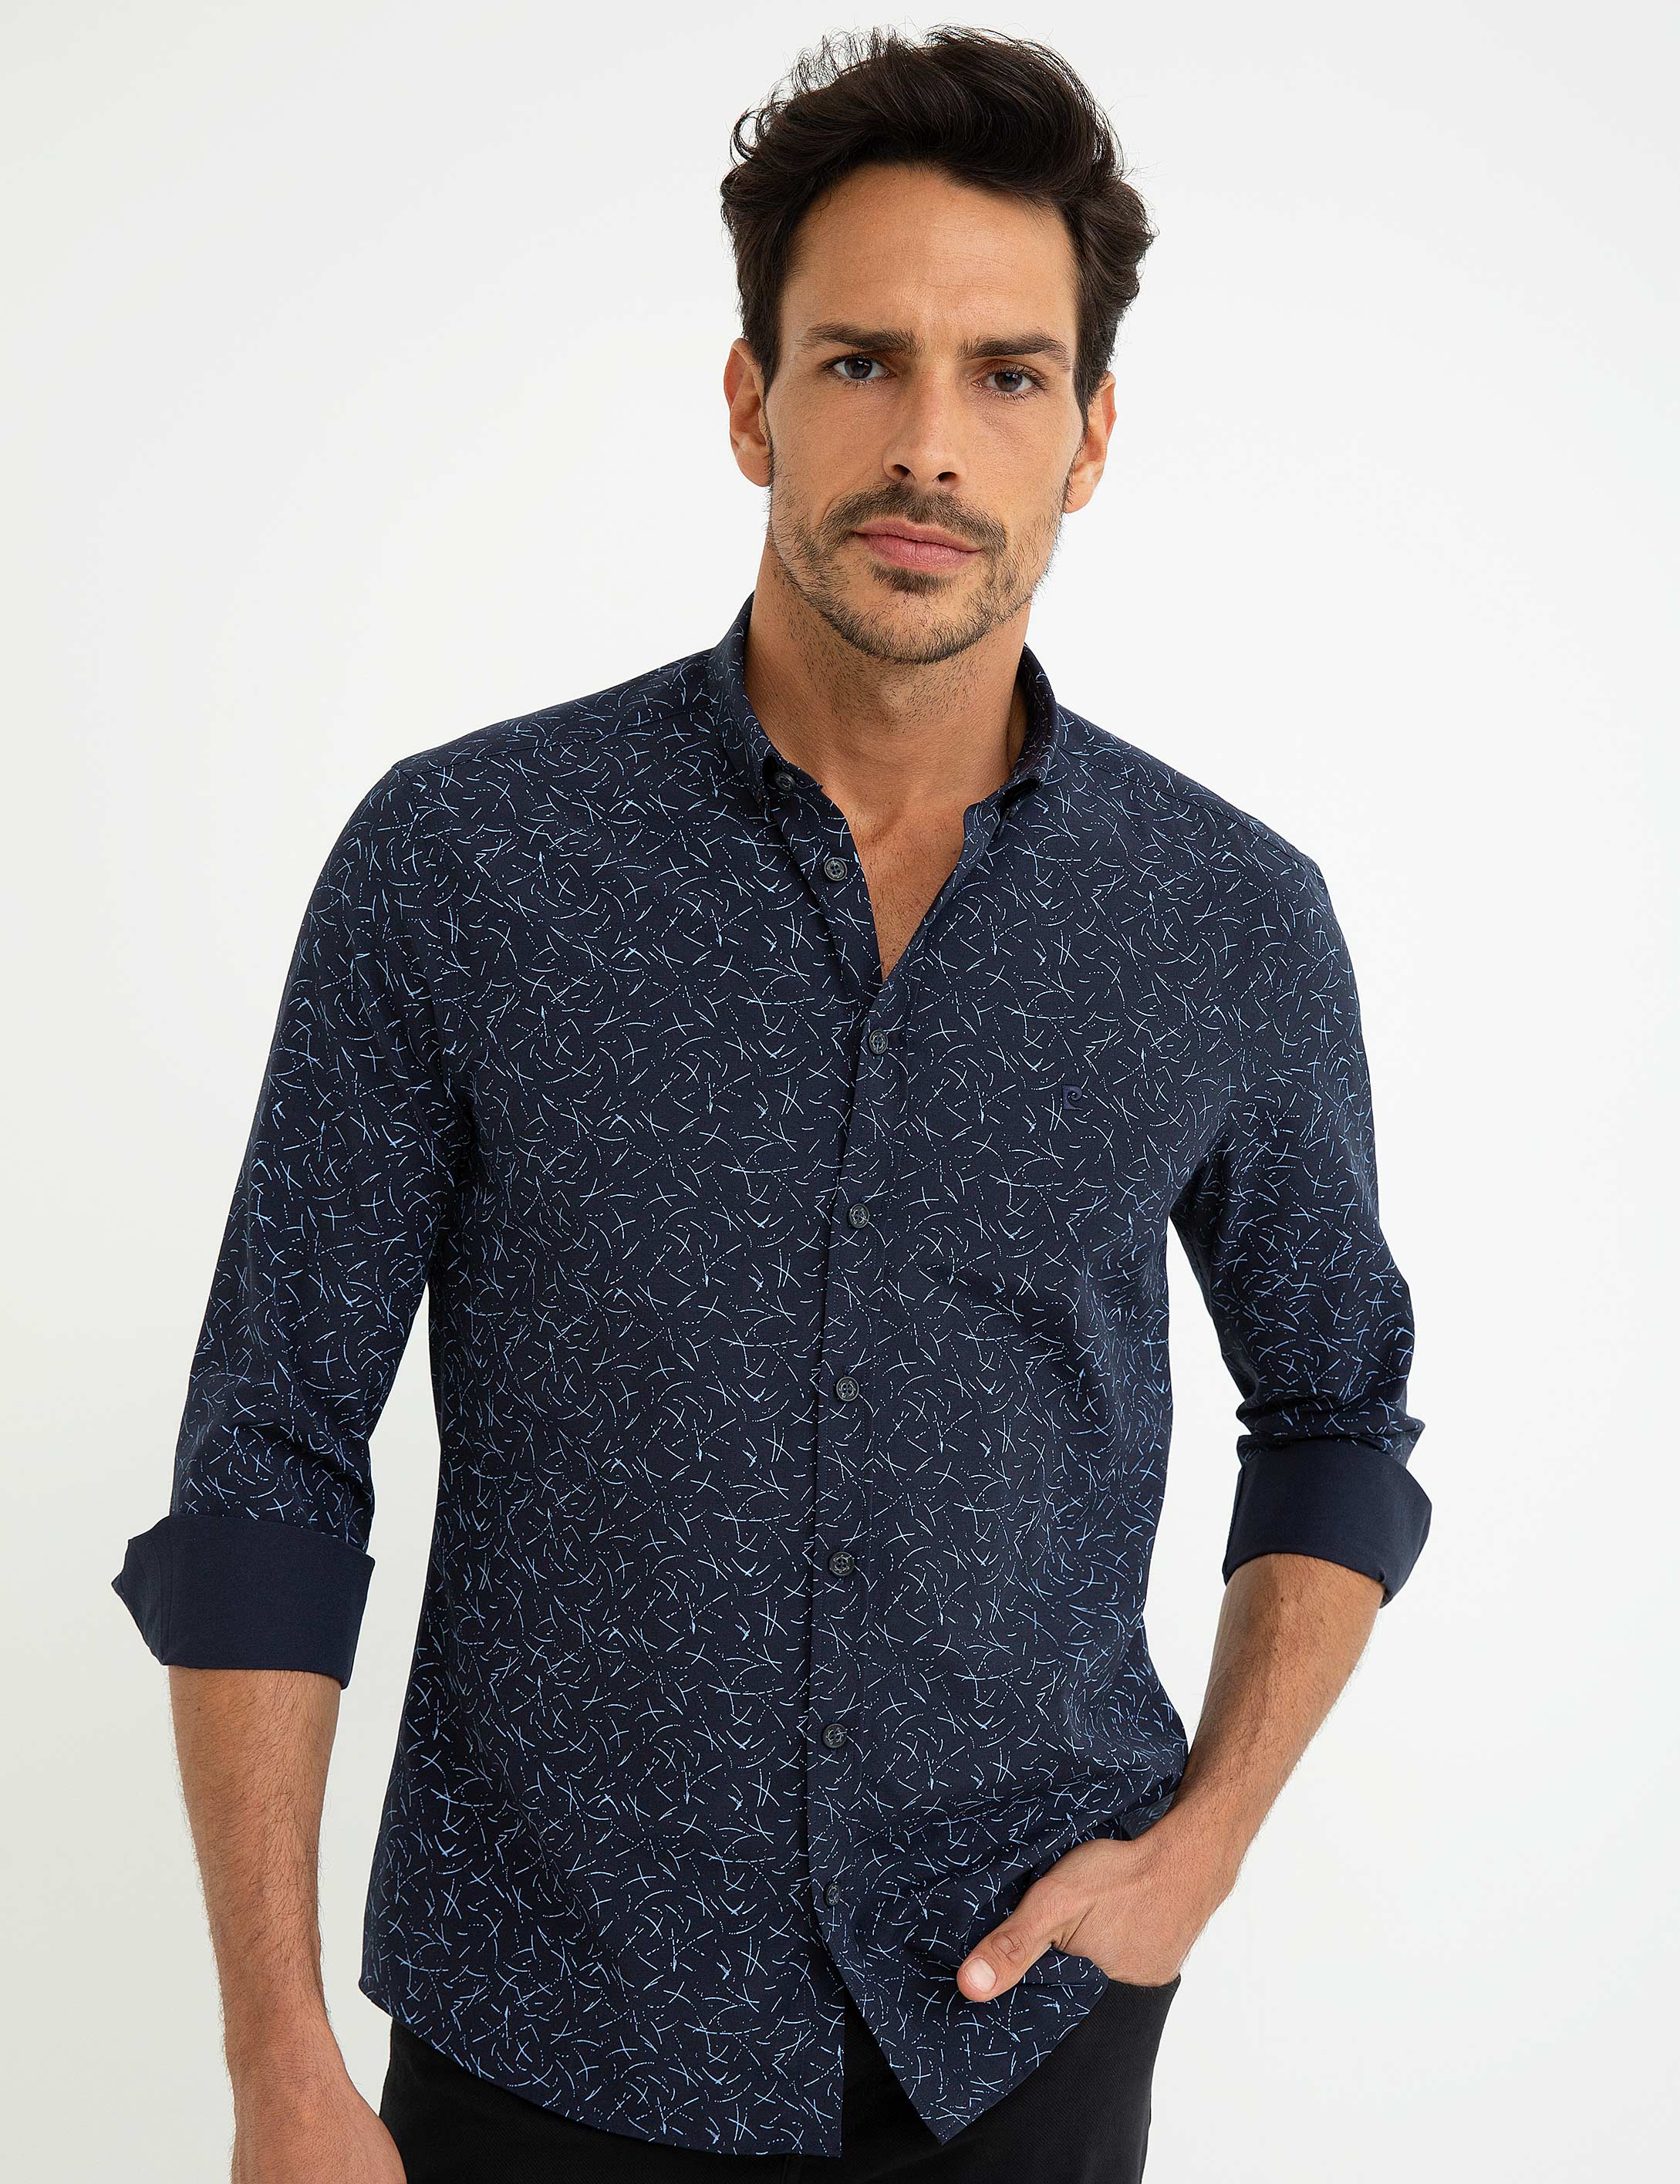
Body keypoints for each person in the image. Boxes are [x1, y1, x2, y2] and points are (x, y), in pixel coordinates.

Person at [110, 25, 1431, 2182]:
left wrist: (1198, 1851)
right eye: (860, 362)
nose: (929, 445)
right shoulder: (464, 863)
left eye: (1007, 374)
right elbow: (266, 1452)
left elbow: (1339, 1419)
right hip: (541, 2041)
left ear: (1090, 437)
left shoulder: (1225, 921)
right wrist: (275, 2058)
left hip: (1016, 2039)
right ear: (751, 401)